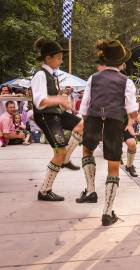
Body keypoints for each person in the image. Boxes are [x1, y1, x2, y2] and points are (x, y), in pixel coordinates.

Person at [77, 39, 138, 226]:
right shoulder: (126, 82)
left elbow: (85, 107)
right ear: (121, 62)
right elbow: (132, 111)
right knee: (113, 164)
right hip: (114, 122)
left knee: (87, 150)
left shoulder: (93, 78)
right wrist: (131, 120)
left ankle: (90, 190)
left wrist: (83, 123)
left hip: (94, 119)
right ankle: (107, 212)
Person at [31, 38, 84, 201]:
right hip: (46, 116)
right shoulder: (40, 75)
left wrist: (66, 106)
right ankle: (45, 191)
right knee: (59, 152)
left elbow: (53, 100)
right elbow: (40, 102)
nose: (61, 61)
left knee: (83, 124)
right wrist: (60, 99)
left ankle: (66, 158)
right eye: (59, 57)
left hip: (56, 114)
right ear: (48, 58)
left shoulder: (52, 75)